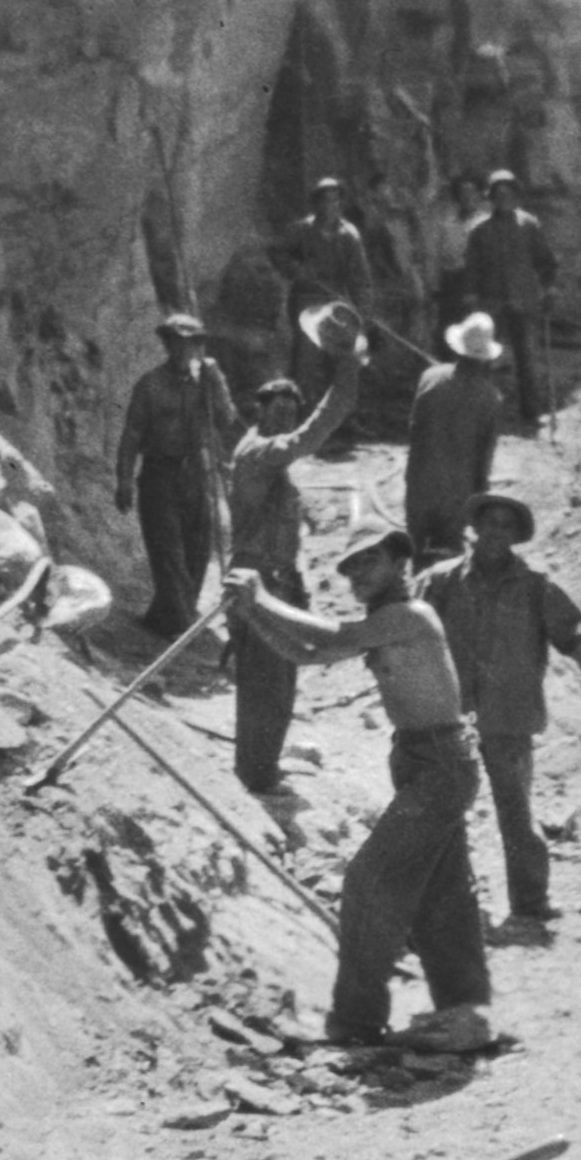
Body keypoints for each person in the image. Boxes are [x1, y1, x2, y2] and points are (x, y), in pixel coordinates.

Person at [225, 532, 492, 1049]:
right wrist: (252, 614)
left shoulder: (410, 615)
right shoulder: (384, 623)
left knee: (369, 882)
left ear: (399, 562)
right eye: (350, 570)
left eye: (370, 562)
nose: (358, 576)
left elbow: (326, 637)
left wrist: (259, 597)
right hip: (424, 761)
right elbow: (305, 655)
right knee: (444, 892)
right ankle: (466, 1015)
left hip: (440, 763)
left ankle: (356, 1021)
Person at [417, 493, 581, 937]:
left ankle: (530, 903)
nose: (496, 533)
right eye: (489, 523)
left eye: (506, 527)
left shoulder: (536, 586)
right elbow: (407, 628)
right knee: (444, 810)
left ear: (516, 536)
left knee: (516, 811)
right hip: (447, 717)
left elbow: (579, 633)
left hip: (508, 719)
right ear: (474, 528)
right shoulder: (440, 582)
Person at [226, 303, 365, 796]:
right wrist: (345, 368)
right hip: (256, 581)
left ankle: (261, 769)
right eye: (276, 408)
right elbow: (317, 431)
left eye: (291, 408)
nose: (285, 415)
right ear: (259, 410)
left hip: (276, 580)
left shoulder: (270, 459)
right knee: (265, 683)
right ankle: (255, 777)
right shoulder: (259, 453)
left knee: (277, 682)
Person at [114, 309, 239, 638]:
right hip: (159, 475)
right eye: (180, 343)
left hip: (195, 473)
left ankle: (166, 617)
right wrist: (124, 480)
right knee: (167, 551)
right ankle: (183, 627)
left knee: (197, 550)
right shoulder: (150, 386)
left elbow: (227, 421)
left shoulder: (206, 383)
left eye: (195, 343)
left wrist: (217, 383)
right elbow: (132, 436)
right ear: (168, 345)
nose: (187, 350)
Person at [403, 310, 507, 561]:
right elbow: (484, 458)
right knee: (448, 560)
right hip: (457, 495)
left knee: (416, 554)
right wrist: (480, 499)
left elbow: (414, 429)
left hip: (420, 486)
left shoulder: (429, 378)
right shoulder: (491, 398)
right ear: (486, 358)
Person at [462, 169, 557, 431]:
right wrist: (470, 298)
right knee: (484, 359)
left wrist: (549, 288)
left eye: (509, 193)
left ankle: (532, 412)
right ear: (490, 198)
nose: (504, 198)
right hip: (490, 304)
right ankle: (481, 415)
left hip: (523, 301)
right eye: (498, 194)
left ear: (516, 195)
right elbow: (472, 267)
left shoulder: (529, 225)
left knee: (527, 358)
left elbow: (545, 261)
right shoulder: (479, 230)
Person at [277, 176, 373, 398]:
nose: (331, 206)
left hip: (335, 301)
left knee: (339, 360)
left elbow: (360, 278)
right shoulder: (300, 230)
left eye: (336, 200)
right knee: (305, 359)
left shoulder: (349, 235)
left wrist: (363, 311)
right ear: (316, 204)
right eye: (326, 201)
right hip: (305, 300)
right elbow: (278, 254)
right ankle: (302, 411)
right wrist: (294, 268)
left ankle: (338, 416)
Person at [425, 171, 488, 345]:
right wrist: (435, 284)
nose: (467, 197)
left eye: (471, 192)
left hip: (476, 283)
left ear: (479, 195)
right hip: (450, 282)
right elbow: (437, 254)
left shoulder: (485, 223)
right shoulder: (448, 223)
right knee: (448, 330)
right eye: (462, 193)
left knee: (472, 329)